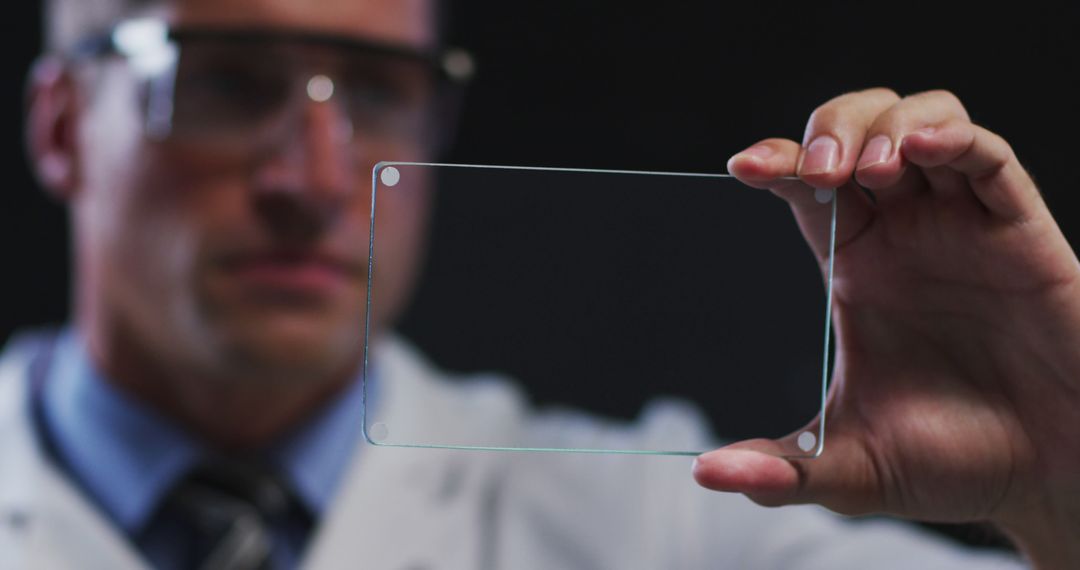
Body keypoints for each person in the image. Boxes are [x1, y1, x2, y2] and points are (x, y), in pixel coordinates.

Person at [1, 0, 1076, 568]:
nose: (317, 179)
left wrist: (1057, 485)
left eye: (379, 91)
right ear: (59, 127)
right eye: (229, 83)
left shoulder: (667, 526)